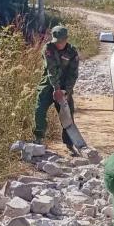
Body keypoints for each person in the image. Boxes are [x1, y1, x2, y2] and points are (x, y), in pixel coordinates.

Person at [33, 25, 80, 155]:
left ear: (66, 39)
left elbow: (73, 74)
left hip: (65, 88)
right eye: (56, 41)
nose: (58, 44)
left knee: (68, 114)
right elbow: (51, 70)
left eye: (61, 41)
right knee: (39, 110)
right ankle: (38, 138)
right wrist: (56, 89)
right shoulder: (48, 48)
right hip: (48, 85)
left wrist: (66, 91)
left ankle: (70, 144)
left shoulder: (72, 52)